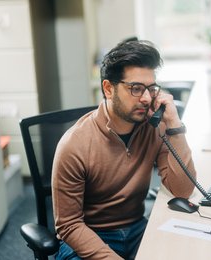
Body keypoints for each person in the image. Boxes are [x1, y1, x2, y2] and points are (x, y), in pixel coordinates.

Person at [52, 39, 197, 260]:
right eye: (136, 89)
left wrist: (174, 125)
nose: (147, 98)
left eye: (151, 88)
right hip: (90, 236)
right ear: (109, 89)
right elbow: (69, 225)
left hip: (138, 229)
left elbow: (182, 190)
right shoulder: (74, 144)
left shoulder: (154, 128)